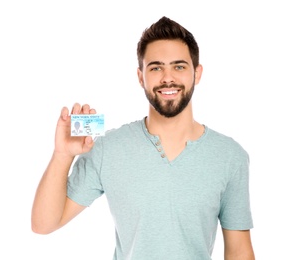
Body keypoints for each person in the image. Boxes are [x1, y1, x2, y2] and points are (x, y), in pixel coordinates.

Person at [31, 16, 255, 259]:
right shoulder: (109, 149)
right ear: (141, 77)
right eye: (156, 67)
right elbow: (43, 224)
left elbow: (239, 250)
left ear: (197, 74)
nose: (168, 78)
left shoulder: (229, 156)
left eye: (179, 66)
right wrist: (63, 155)